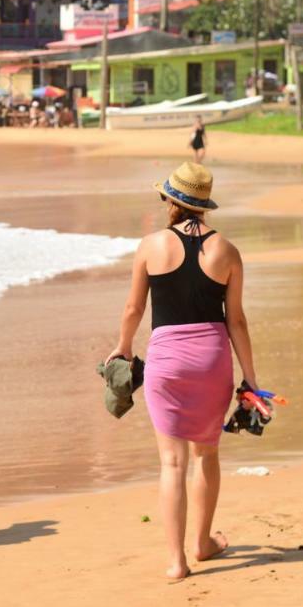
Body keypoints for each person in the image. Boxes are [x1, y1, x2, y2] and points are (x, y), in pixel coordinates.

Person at [106, 162, 257, 582]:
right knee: (205, 454)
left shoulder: (150, 246)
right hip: (211, 359)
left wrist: (122, 349)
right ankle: (204, 542)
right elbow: (237, 321)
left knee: (171, 463)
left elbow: (134, 309)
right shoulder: (227, 250)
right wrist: (253, 380)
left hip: (166, 361)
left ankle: (177, 562)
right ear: (204, 205)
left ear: (170, 201)